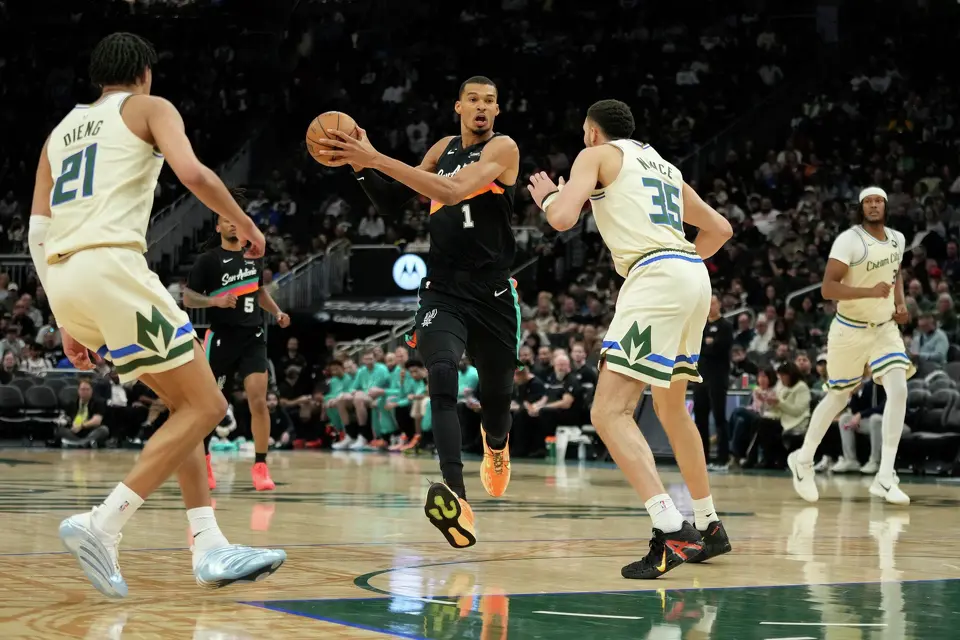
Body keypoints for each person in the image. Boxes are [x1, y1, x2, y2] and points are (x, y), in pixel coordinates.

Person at [29, 32, 283, 598]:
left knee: (184, 405)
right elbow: (192, 173)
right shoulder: (149, 106)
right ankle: (103, 523)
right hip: (114, 267)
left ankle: (209, 544)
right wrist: (244, 221)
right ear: (144, 72)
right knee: (210, 404)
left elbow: (37, 231)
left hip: (66, 277)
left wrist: (65, 315)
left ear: (99, 76)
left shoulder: (58, 133)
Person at [526, 99, 733, 579]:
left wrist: (545, 198)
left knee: (608, 411)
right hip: (691, 274)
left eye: (584, 134)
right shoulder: (664, 166)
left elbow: (561, 219)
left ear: (593, 133)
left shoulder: (595, 156)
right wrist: (679, 267)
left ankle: (672, 528)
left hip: (657, 277)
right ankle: (710, 526)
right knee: (669, 409)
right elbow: (720, 229)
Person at [317, 76, 521, 549]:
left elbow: (450, 193)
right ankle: (457, 496)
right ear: (458, 106)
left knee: (495, 401)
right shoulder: (441, 148)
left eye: (490, 101)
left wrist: (376, 158)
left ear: (497, 110)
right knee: (442, 376)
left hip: (492, 295)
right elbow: (391, 201)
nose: (482, 107)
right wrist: (359, 164)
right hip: (442, 292)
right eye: (474, 99)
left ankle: (496, 446)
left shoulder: (504, 149)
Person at [787, 186, 914, 506]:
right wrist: (870, 293)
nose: (873, 206)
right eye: (868, 202)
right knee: (838, 396)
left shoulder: (897, 239)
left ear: (886, 206)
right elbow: (828, 289)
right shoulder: (848, 240)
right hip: (849, 331)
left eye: (878, 202)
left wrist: (900, 304)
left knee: (898, 389)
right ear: (860, 207)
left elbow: (896, 273)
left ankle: (885, 475)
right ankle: (803, 460)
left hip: (884, 329)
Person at [183, 200, 291, 492]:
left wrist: (277, 312)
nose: (232, 223)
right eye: (226, 219)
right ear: (218, 227)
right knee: (214, 407)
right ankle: (204, 459)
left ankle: (260, 466)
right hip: (220, 338)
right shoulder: (208, 260)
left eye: (236, 219)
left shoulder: (253, 256)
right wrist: (214, 301)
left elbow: (257, 292)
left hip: (253, 336)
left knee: (259, 399)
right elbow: (189, 299)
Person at [694, 294, 733, 470]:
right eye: (708, 304)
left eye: (713, 303)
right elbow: (697, 348)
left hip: (718, 378)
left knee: (719, 418)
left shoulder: (726, 326)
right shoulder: (700, 325)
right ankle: (703, 458)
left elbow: (720, 348)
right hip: (700, 377)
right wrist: (708, 345)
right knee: (700, 420)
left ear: (719, 305)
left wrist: (708, 346)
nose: (710, 307)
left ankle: (723, 459)